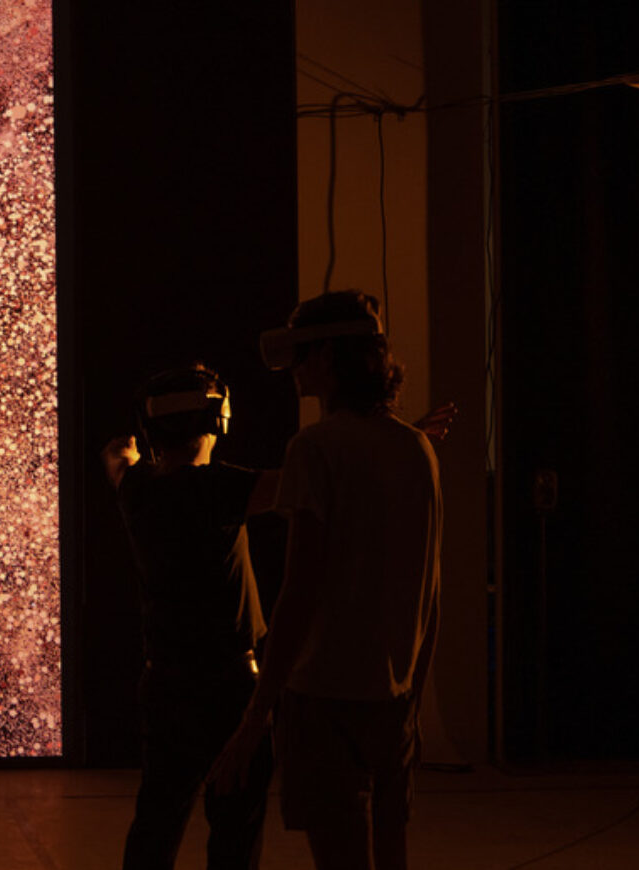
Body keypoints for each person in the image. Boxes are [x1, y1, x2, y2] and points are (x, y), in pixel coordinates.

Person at [210, 291, 443, 870]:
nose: (293, 369)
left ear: (330, 358)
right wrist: (413, 692)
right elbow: (429, 586)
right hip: (393, 697)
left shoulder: (314, 448)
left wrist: (256, 715)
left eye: (302, 354)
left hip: (324, 696)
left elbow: (300, 588)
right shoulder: (417, 448)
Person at [101, 364, 276, 870]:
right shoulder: (220, 489)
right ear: (218, 419)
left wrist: (131, 453)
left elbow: (115, 457)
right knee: (235, 833)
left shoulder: (138, 489)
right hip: (230, 687)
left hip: (167, 683)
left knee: (157, 821)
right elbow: (311, 482)